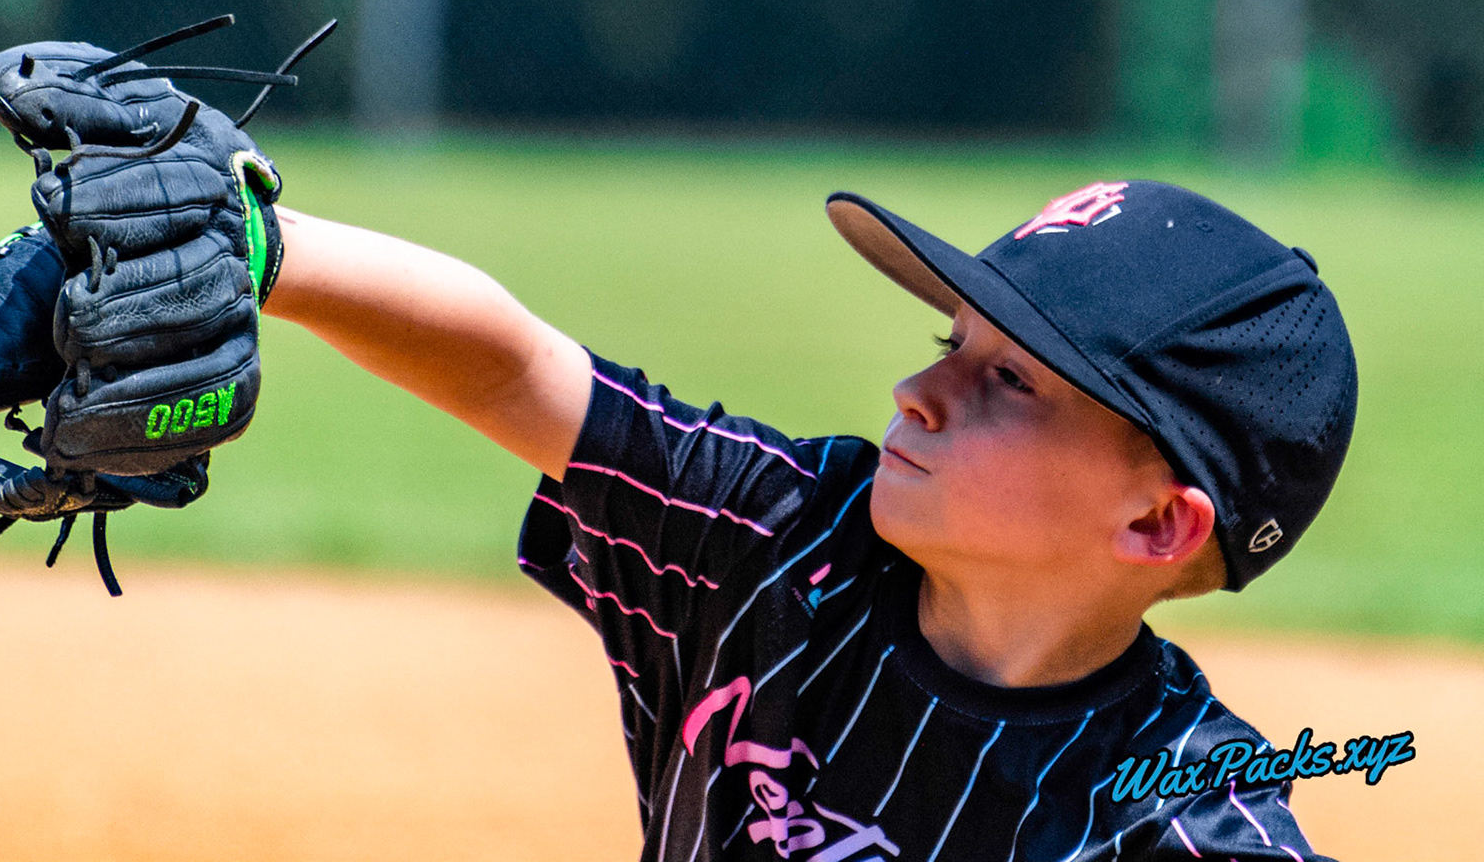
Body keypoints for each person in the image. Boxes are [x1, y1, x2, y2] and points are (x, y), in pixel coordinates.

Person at [261, 177, 1356, 861]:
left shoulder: (1185, 822)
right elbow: (521, 374)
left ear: (1159, 522)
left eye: (1012, 380)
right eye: (950, 344)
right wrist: (271, 250)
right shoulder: (784, 539)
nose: (917, 394)